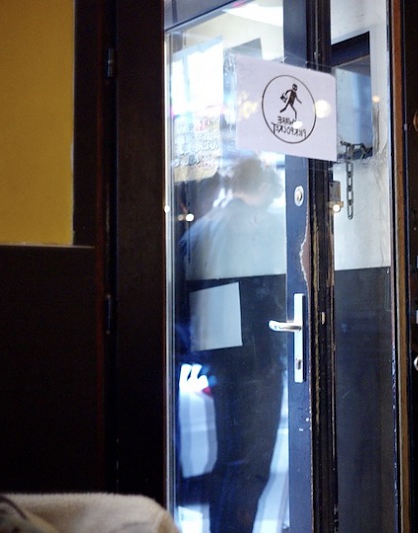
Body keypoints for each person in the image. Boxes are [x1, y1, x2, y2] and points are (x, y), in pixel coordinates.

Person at [177, 154, 287, 533]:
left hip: (220, 359)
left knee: (230, 462)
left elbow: (185, 301)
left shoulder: (203, 228)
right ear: (264, 186)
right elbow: (276, 295)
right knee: (250, 467)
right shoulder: (263, 228)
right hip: (258, 358)